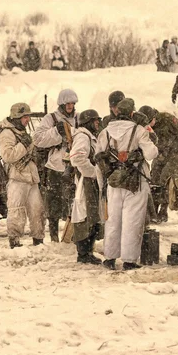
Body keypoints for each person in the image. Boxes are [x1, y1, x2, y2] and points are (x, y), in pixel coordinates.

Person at [95, 98, 158, 270]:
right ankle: (129, 261)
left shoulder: (105, 131)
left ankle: (109, 258)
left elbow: (99, 157)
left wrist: (104, 182)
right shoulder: (138, 130)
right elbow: (151, 153)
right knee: (132, 220)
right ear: (132, 113)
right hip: (134, 181)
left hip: (114, 180)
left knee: (113, 220)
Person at [0, 103, 45, 249]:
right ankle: (14, 241)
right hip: (16, 178)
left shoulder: (22, 132)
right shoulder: (7, 134)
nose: (27, 120)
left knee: (37, 210)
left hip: (31, 178)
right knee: (16, 210)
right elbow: (8, 156)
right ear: (17, 117)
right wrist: (23, 145)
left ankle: (38, 239)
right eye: (25, 117)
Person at [32, 89, 79, 243]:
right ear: (62, 104)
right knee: (54, 202)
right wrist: (56, 132)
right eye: (68, 103)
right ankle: (53, 236)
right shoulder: (50, 118)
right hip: (55, 166)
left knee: (75, 201)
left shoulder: (79, 118)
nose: (70, 106)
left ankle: (72, 235)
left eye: (73, 103)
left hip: (75, 165)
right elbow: (38, 139)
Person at [140, 105, 178, 223]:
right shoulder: (143, 125)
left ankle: (163, 210)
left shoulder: (167, 118)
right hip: (160, 154)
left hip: (176, 153)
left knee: (165, 179)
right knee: (154, 179)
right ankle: (154, 210)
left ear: (154, 117)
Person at [69, 109, 103, 265]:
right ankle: (83, 253)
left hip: (91, 180)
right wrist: (93, 172)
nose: (98, 123)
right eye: (95, 120)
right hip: (87, 181)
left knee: (92, 215)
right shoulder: (83, 136)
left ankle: (87, 251)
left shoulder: (88, 136)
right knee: (86, 216)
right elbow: (77, 157)